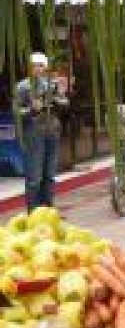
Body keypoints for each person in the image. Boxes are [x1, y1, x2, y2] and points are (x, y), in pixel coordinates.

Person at [15, 53, 69, 211]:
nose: (38, 68)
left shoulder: (52, 84)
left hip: (52, 130)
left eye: (41, 65)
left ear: (45, 67)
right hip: (34, 132)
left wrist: (60, 97)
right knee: (35, 177)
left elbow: (64, 103)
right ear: (29, 68)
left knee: (50, 174)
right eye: (34, 65)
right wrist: (31, 109)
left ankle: (49, 210)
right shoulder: (22, 86)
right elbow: (16, 111)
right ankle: (33, 213)